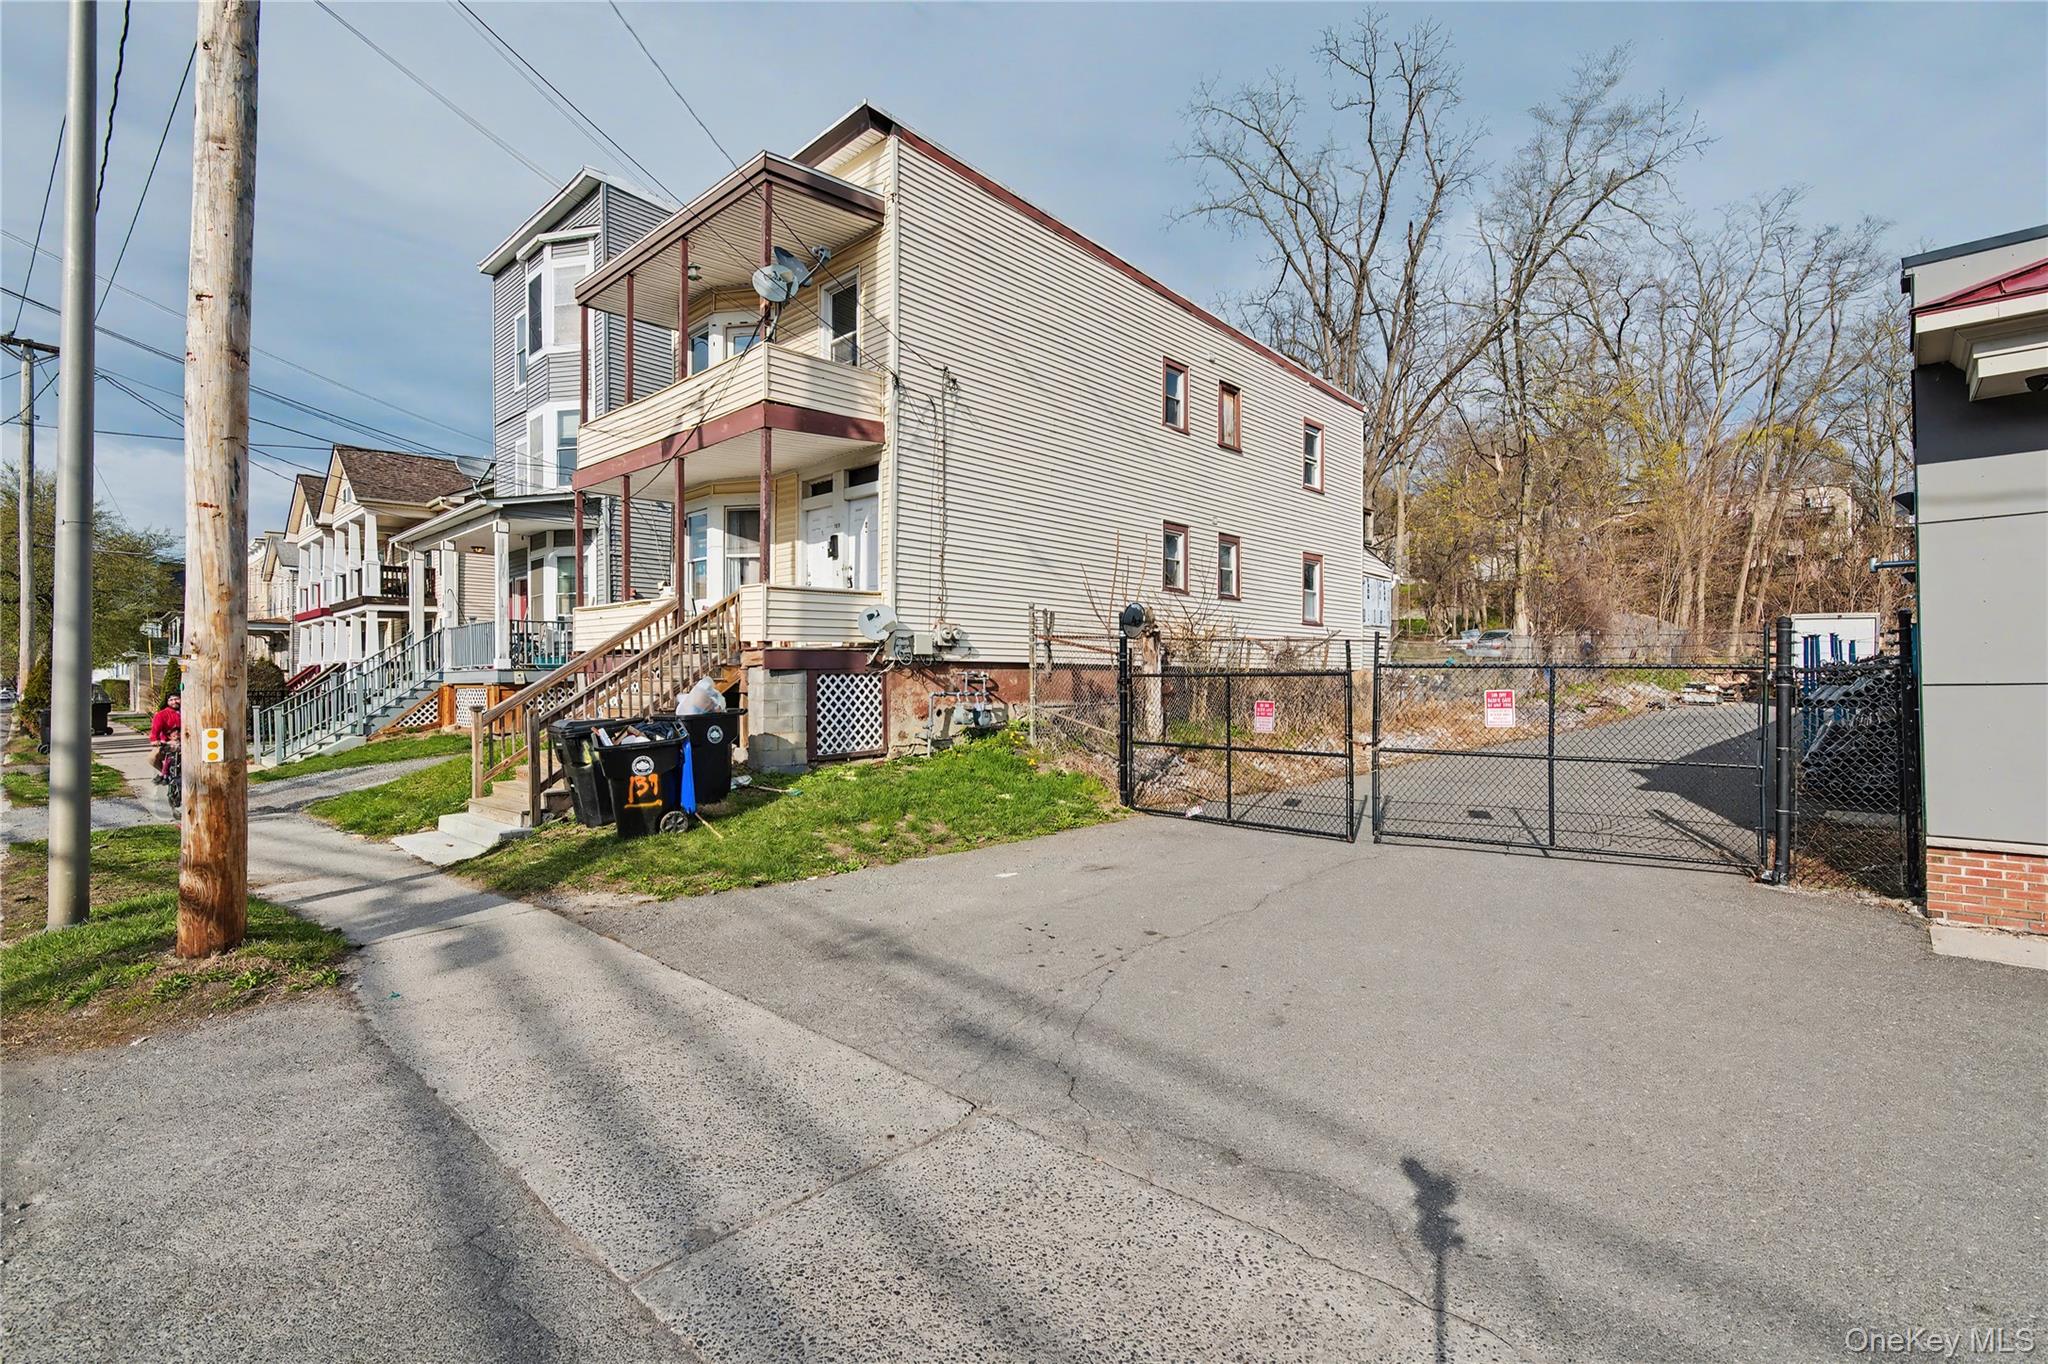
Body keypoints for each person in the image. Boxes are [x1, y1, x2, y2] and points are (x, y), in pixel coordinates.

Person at [148, 693, 182, 784]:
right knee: (152, 758)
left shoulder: (189, 712)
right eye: (171, 700)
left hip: (187, 743)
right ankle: (166, 773)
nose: (174, 702)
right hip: (167, 743)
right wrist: (155, 741)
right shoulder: (161, 715)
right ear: (167, 702)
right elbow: (155, 732)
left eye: (177, 699)